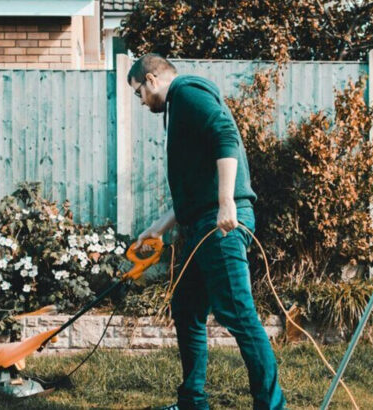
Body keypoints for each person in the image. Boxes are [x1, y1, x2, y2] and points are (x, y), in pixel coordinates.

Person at [128, 54, 285, 410]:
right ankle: (192, 402)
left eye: (138, 92)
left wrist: (227, 201)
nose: (140, 101)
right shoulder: (179, 108)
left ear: (151, 79)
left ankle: (272, 405)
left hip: (220, 223)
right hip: (202, 223)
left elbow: (225, 135)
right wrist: (158, 228)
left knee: (239, 315)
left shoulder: (186, 91)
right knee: (186, 308)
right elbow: (195, 190)